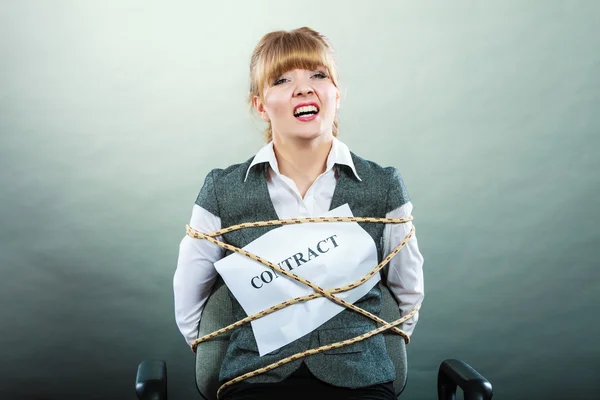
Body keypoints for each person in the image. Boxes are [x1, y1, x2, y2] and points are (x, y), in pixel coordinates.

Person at [174, 27, 425, 400]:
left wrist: (362, 348)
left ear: (336, 95)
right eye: (282, 79)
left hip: (361, 380)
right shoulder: (221, 191)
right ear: (260, 104)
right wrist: (229, 355)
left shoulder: (383, 186)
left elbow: (407, 293)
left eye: (318, 76)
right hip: (256, 379)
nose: (304, 88)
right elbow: (189, 302)